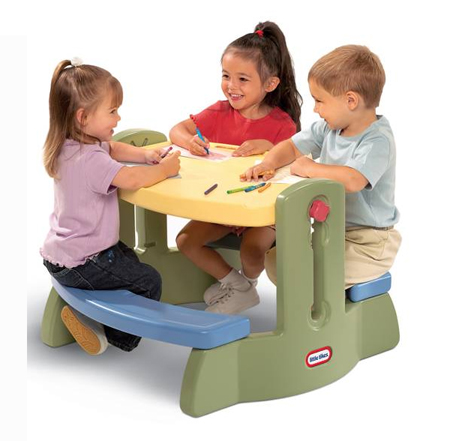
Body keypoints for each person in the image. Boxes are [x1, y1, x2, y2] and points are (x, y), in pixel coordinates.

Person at [41, 58, 180, 355]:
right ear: (83, 117)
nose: (118, 118)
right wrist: (164, 170)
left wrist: (146, 155)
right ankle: (112, 336)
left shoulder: (71, 144)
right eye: (112, 111)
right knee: (149, 282)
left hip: (63, 255)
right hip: (84, 261)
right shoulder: (90, 160)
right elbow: (131, 179)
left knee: (129, 259)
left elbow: (113, 148)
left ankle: (92, 313)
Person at [242, 45, 401, 289]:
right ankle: (312, 304)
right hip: (331, 232)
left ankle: (319, 308)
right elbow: (292, 147)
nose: (315, 109)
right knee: (277, 261)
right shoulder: (330, 128)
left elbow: (353, 180)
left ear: (350, 100)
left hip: (369, 244)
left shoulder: (377, 140)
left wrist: (310, 168)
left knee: (300, 271)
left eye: (319, 101)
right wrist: (268, 163)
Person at [170, 21, 302, 314]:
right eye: (226, 75)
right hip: (224, 206)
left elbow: (294, 163)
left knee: (252, 251)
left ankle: (248, 283)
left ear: (270, 84)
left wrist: (268, 146)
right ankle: (238, 286)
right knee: (186, 241)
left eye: (243, 79)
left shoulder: (282, 124)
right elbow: (176, 130)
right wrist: (190, 141)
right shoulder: (219, 112)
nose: (231, 86)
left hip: (262, 212)